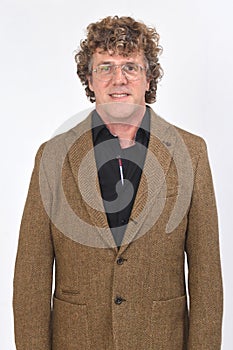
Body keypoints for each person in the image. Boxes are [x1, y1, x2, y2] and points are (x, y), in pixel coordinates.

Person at [13, 15, 223, 350]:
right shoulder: (52, 156)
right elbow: (30, 280)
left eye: (130, 66)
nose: (118, 79)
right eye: (105, 67)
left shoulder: (191, 152)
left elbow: (206, 278)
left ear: (148, 77)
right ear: (89, 79)